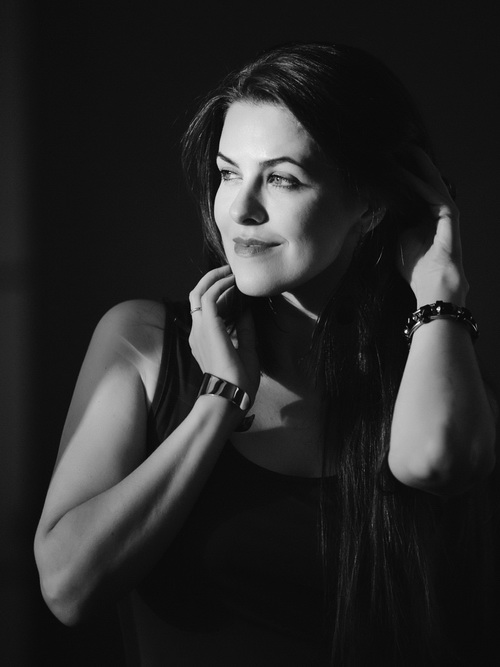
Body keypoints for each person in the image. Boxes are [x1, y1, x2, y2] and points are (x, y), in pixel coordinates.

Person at [34, 42, 497, 666]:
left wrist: (440, 290)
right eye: (229, 173)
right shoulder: (142, 342)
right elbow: (68, 589)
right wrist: (217, 402)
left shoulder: (434, 366)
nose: (240, 210)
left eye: (281, 178)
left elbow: (437, 463)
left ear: (369, 203)